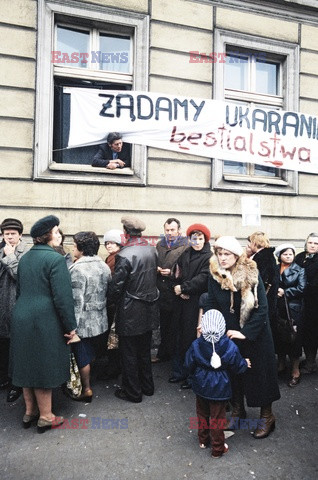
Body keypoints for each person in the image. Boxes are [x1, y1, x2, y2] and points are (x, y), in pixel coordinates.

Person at [204, 236, 280, 439]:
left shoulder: (251, 273)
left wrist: (245, 333)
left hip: (256, 334)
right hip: (229, 334)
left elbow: (262, 308)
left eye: (226, 254)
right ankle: (238, 412)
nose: (222, 258)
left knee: (260, 376)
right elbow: (212, 302)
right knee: (234, 375)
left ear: (236, 255)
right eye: (219, 254)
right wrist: (210, 324)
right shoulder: (215, 275)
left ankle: (267, 416)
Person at [10, 215, 77, 433]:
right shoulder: (55, 259)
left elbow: (19, 291)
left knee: (26, 364)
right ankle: (46, 416)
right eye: (56, 232)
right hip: (44, 319)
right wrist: (71, 327)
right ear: (47, 236)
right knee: (42, 367)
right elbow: (63, 298)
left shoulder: (26, 258)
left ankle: (30, 412)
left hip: (21, 316)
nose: (59, 235)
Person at [185, 309, 250, 458]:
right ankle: (217, 448)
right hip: (220, 388)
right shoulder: (229, 346)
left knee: (202, 414)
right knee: (217, 419)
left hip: (201, 386)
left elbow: (188, 363)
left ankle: (203, 440)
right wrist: (244, 364)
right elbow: (237, 365)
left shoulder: (196, 344)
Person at [111, 216, 159, 403]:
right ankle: (147, 386)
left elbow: (117, 286)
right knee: (144, 350)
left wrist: (110, 301)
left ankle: (132, 392)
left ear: (125, 232)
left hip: (130, 309)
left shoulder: (124, 254)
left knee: (129, 352)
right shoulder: (151, 250)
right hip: (149, 306)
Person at [69, 231, 111, 402]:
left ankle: (86, 389)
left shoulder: (78, 269)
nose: (72, 248)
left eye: (74, 245)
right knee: (91, 353)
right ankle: (88, 382)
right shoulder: (104, 265)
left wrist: (72, 328)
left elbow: (76, 302)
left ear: (81, 247)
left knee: (82, 356)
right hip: (100, 318)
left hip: (83, 322)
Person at [169, 224, 211, 389]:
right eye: (194, 238)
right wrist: (178, 289)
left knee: (192, 340)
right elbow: (177, 273)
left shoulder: (209, 257)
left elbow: (204, 278)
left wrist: (185, 288)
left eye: (201, 239)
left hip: (195, 303)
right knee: (178, 337)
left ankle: (191, 376)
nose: (197, 242)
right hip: (181, 301)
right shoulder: (185, 253)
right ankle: (179, 372)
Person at [0, 218, 28, 403]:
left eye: (12, 234)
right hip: (2, 302)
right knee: (3, 343)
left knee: (16, 345)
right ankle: (4, 378)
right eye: (6, 234)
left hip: (16, 303)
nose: (9, 237)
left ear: (20, 235)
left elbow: (22, 276)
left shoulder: (26, 252)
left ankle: (16, 383)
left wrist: (10, 256)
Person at [154, 218, 188, 363]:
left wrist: (172, 272)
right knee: (164, 324)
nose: (169, 233)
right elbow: (154, 261)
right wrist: (156, 269)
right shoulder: (159, 245)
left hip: (176, 291)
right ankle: (163, 353)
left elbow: (186, 268)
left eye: (172, 230)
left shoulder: (186, 246)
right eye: (167, 230)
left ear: (179, 230)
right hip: (161, 292)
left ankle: (174, 355)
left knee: (175, 326)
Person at [274, 243, 306, 386]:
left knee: (294, 339)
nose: (288, 256)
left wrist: (285, 292)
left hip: (293, 309)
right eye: (285, 254)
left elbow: (301, 288)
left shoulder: (299, 270)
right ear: (279, 256)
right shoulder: (275, 269)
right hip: (277, 308)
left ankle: (295, 371)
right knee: (279, 338)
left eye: (291, 254)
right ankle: (280, 365)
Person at [102, 228, 124, 379]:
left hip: (114, 303)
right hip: (113, 302)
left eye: (112, 243)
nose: (109, 246)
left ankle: (113, 368)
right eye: (107, 243)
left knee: (113, 337)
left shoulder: (117, 259)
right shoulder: (110, 258)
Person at [247, 231, 279, 335]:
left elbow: (259, 279)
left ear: (255, 243)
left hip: (263, 299)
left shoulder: (262, 257)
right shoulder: (266, 255)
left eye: (251, 242)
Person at [295, 233, 318, 374]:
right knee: (301, 332)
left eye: (316, 243)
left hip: (314, 302)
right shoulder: (299, 257)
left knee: (312, 333)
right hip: (299, 300)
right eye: (310, 242)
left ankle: (310, 363)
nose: (312, 245)